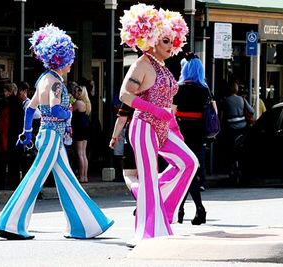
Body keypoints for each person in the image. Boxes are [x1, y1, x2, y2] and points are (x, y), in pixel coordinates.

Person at [0, 24, 113, 240]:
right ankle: (9, 223)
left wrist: (27, 132)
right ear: (61, 58)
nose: (72, 61)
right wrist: (68, 113)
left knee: (68, 180)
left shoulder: (43, 79)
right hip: (52, 137)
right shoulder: (55, 83)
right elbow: (56, 109)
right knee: (35, 177)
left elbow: (30, 108)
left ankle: (87, 225)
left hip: (47, 136)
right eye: (70, 57)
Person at [119, 4, 198, 247]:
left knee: (189, 162)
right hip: (143, 128)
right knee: (149, 179)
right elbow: (124, 94)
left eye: (173, 40)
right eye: (165, 40)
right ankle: (147, 232)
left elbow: (166, 102)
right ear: (151, 39)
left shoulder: (162, 66)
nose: (171, 45)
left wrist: (172, 126)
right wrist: (154, 111)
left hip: (163, 128)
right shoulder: (141, 63)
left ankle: (154, 202)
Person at [173, 53, 207, 225]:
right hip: (199, 134)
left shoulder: (179, 89)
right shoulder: (204, 89)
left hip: (182, 133)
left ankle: (184, 208)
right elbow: (212, 112)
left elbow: (171, 113)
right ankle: (188, 208)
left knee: (184, 170)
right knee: (190, 170)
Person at [221, 77, 255, 176]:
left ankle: (230, 167)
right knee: (243, 147)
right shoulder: (242, 99)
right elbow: (252, 111)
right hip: (242, 128)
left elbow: (222, 116)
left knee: (230, 149)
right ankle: (242, 166)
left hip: (230, 129)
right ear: (237, 89)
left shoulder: (226, 100)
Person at [109, 103, 138, 197]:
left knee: (129, 174)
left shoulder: (130, 96)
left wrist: (114, 138)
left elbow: (121, 119)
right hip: (155, 134)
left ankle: (140, 196)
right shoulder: (159, 93)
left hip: (135, 132)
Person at [71, 83, 91, 183]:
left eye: (75, 92)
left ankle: (81, 176)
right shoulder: (86, 103)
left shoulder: (78, 103)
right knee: (83, 153)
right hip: (85, 129)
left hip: (79, 129)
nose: (74, 93)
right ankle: (85, 176)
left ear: (80, 93)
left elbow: (70, 111)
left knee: (79, 154)